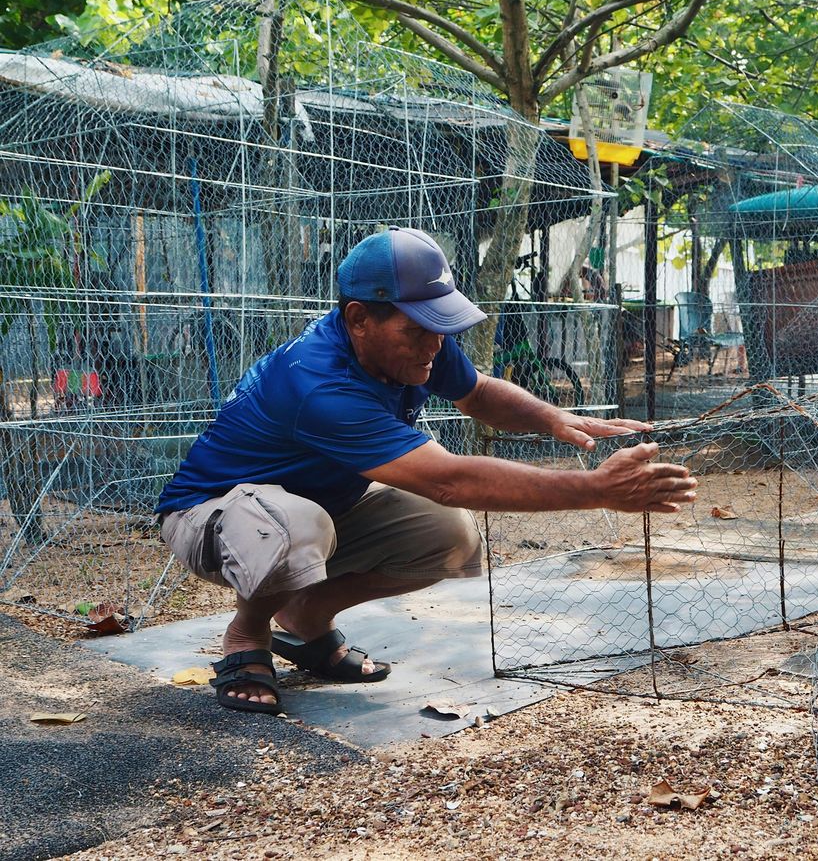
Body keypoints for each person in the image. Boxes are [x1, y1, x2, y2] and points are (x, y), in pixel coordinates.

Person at [156, 226, 697, 715]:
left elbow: (479, 392)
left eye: (441, 325)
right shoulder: (318, 385)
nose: (435, 343)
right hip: (211, 518)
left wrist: (553, 418)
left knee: (449, 534)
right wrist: (596, 488)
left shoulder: (413, 347)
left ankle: (305, 616)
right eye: (418, 329)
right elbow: (448, 477)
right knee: (302, 524)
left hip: (316, 508)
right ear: (358, 319)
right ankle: (246, 636)